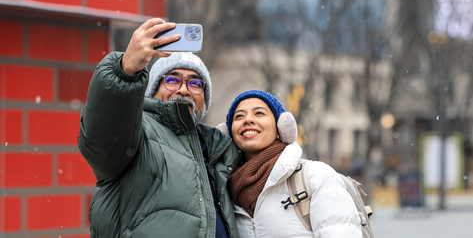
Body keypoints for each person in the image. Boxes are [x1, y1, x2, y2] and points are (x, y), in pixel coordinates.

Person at [78, 18, 241, 238]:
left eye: (195, 83)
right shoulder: (137, 132)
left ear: (204, 97)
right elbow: (103, 139)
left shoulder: (219, 149)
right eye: (173, 80)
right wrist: (124, 71)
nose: (184, 90)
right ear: (153, 89)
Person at [220, 90, 362, 237]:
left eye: (259, 113)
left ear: (281, 127)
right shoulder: (223, 189)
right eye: (239, 116)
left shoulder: (317, 177)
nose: (247, 120)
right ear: (228, 133)